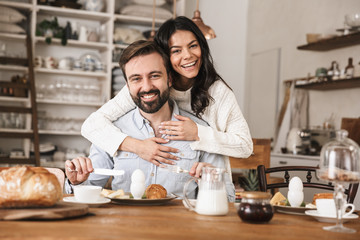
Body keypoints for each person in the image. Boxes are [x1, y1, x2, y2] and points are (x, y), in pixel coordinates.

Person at [81, 16, 253, 182]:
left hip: (209, 179)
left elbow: (245, 146)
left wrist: (197, 133)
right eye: (176, 50)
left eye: (193, 46)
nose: (187, 56)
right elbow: (91, 125)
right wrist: (138, 147)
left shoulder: (218, 92)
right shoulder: (149, 86)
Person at [65, 40, 235, 200]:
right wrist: (77, 182)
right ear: (128, 85)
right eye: (136, 79)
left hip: (180, 229)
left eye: (154, 76)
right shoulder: (110, 132)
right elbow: (90, 190)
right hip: (124, 228)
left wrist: (213, 182)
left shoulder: (200, 130)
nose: (146, 87)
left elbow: (228, 199)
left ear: (169, 79)